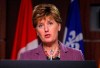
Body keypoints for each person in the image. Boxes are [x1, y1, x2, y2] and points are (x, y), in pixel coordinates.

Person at [19, 4, 84, 60]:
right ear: (36, 31)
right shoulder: (26, 57)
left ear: (59, 26)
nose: (46, 29)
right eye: (41, 25)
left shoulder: (76, 56)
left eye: (50, 23)